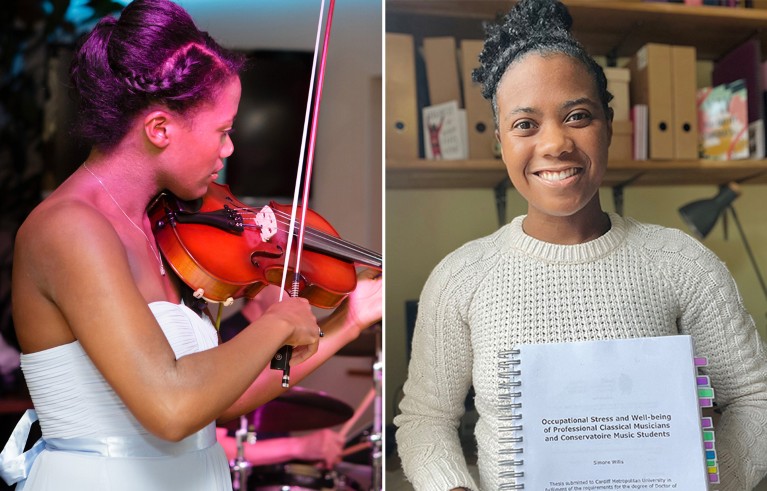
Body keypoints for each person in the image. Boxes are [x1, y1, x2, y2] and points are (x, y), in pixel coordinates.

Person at [0, 0, 382, 490]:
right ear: (160, 129)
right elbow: (172, 408)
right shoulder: (70, 228)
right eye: (222, 131)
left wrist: (345, 322)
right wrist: (278, 322)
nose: (229, 149)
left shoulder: (163, 228)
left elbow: (218, 399)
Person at [394, 0, 767, 490]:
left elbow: (753, 397)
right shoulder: (460, 277)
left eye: (577, 115)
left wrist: (713, 483)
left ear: (608, 127)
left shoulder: (683, 264)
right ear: (501, 142)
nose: (555, 144)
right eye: (525, 124)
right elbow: (425, 419)